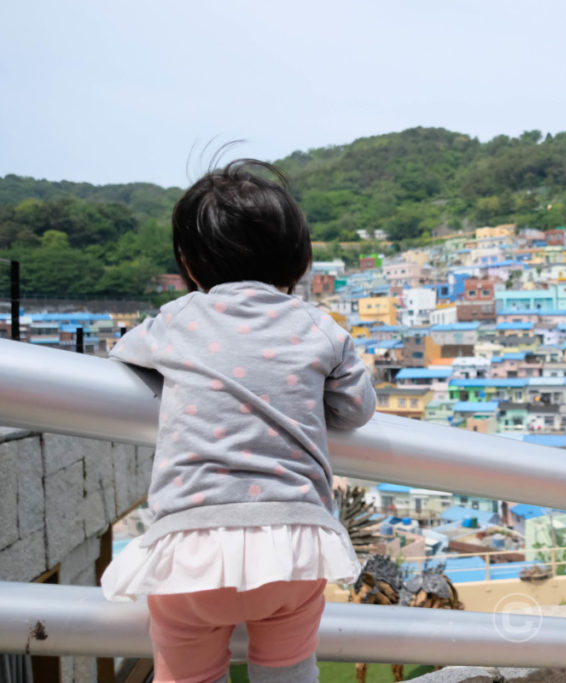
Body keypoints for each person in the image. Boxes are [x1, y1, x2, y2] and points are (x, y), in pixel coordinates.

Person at [101, 159, 376, 683]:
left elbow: (123, 353)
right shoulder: (320, 327)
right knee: (289, 672)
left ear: (189, 263)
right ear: (299, 262)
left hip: (190, 552)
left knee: (188, 675)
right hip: (295, 544)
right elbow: (356, 409)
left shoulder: (177, 320)